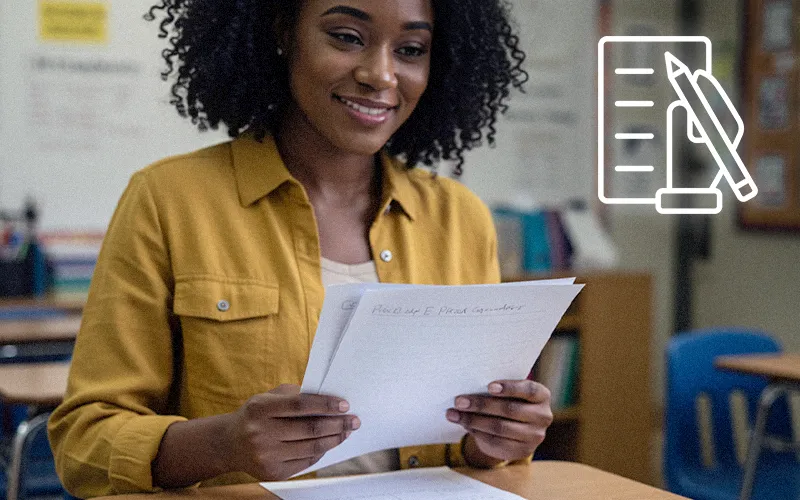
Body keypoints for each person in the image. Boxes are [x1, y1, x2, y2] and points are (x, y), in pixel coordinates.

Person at [48, 0, 554, 497]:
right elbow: (83, 442)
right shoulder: (168, 201)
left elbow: (473, 447)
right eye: (347, 37)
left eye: (411, 49)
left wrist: (494, 439)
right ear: (284, 31)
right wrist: (222, 444)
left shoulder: (460, 219)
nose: (381, 75)